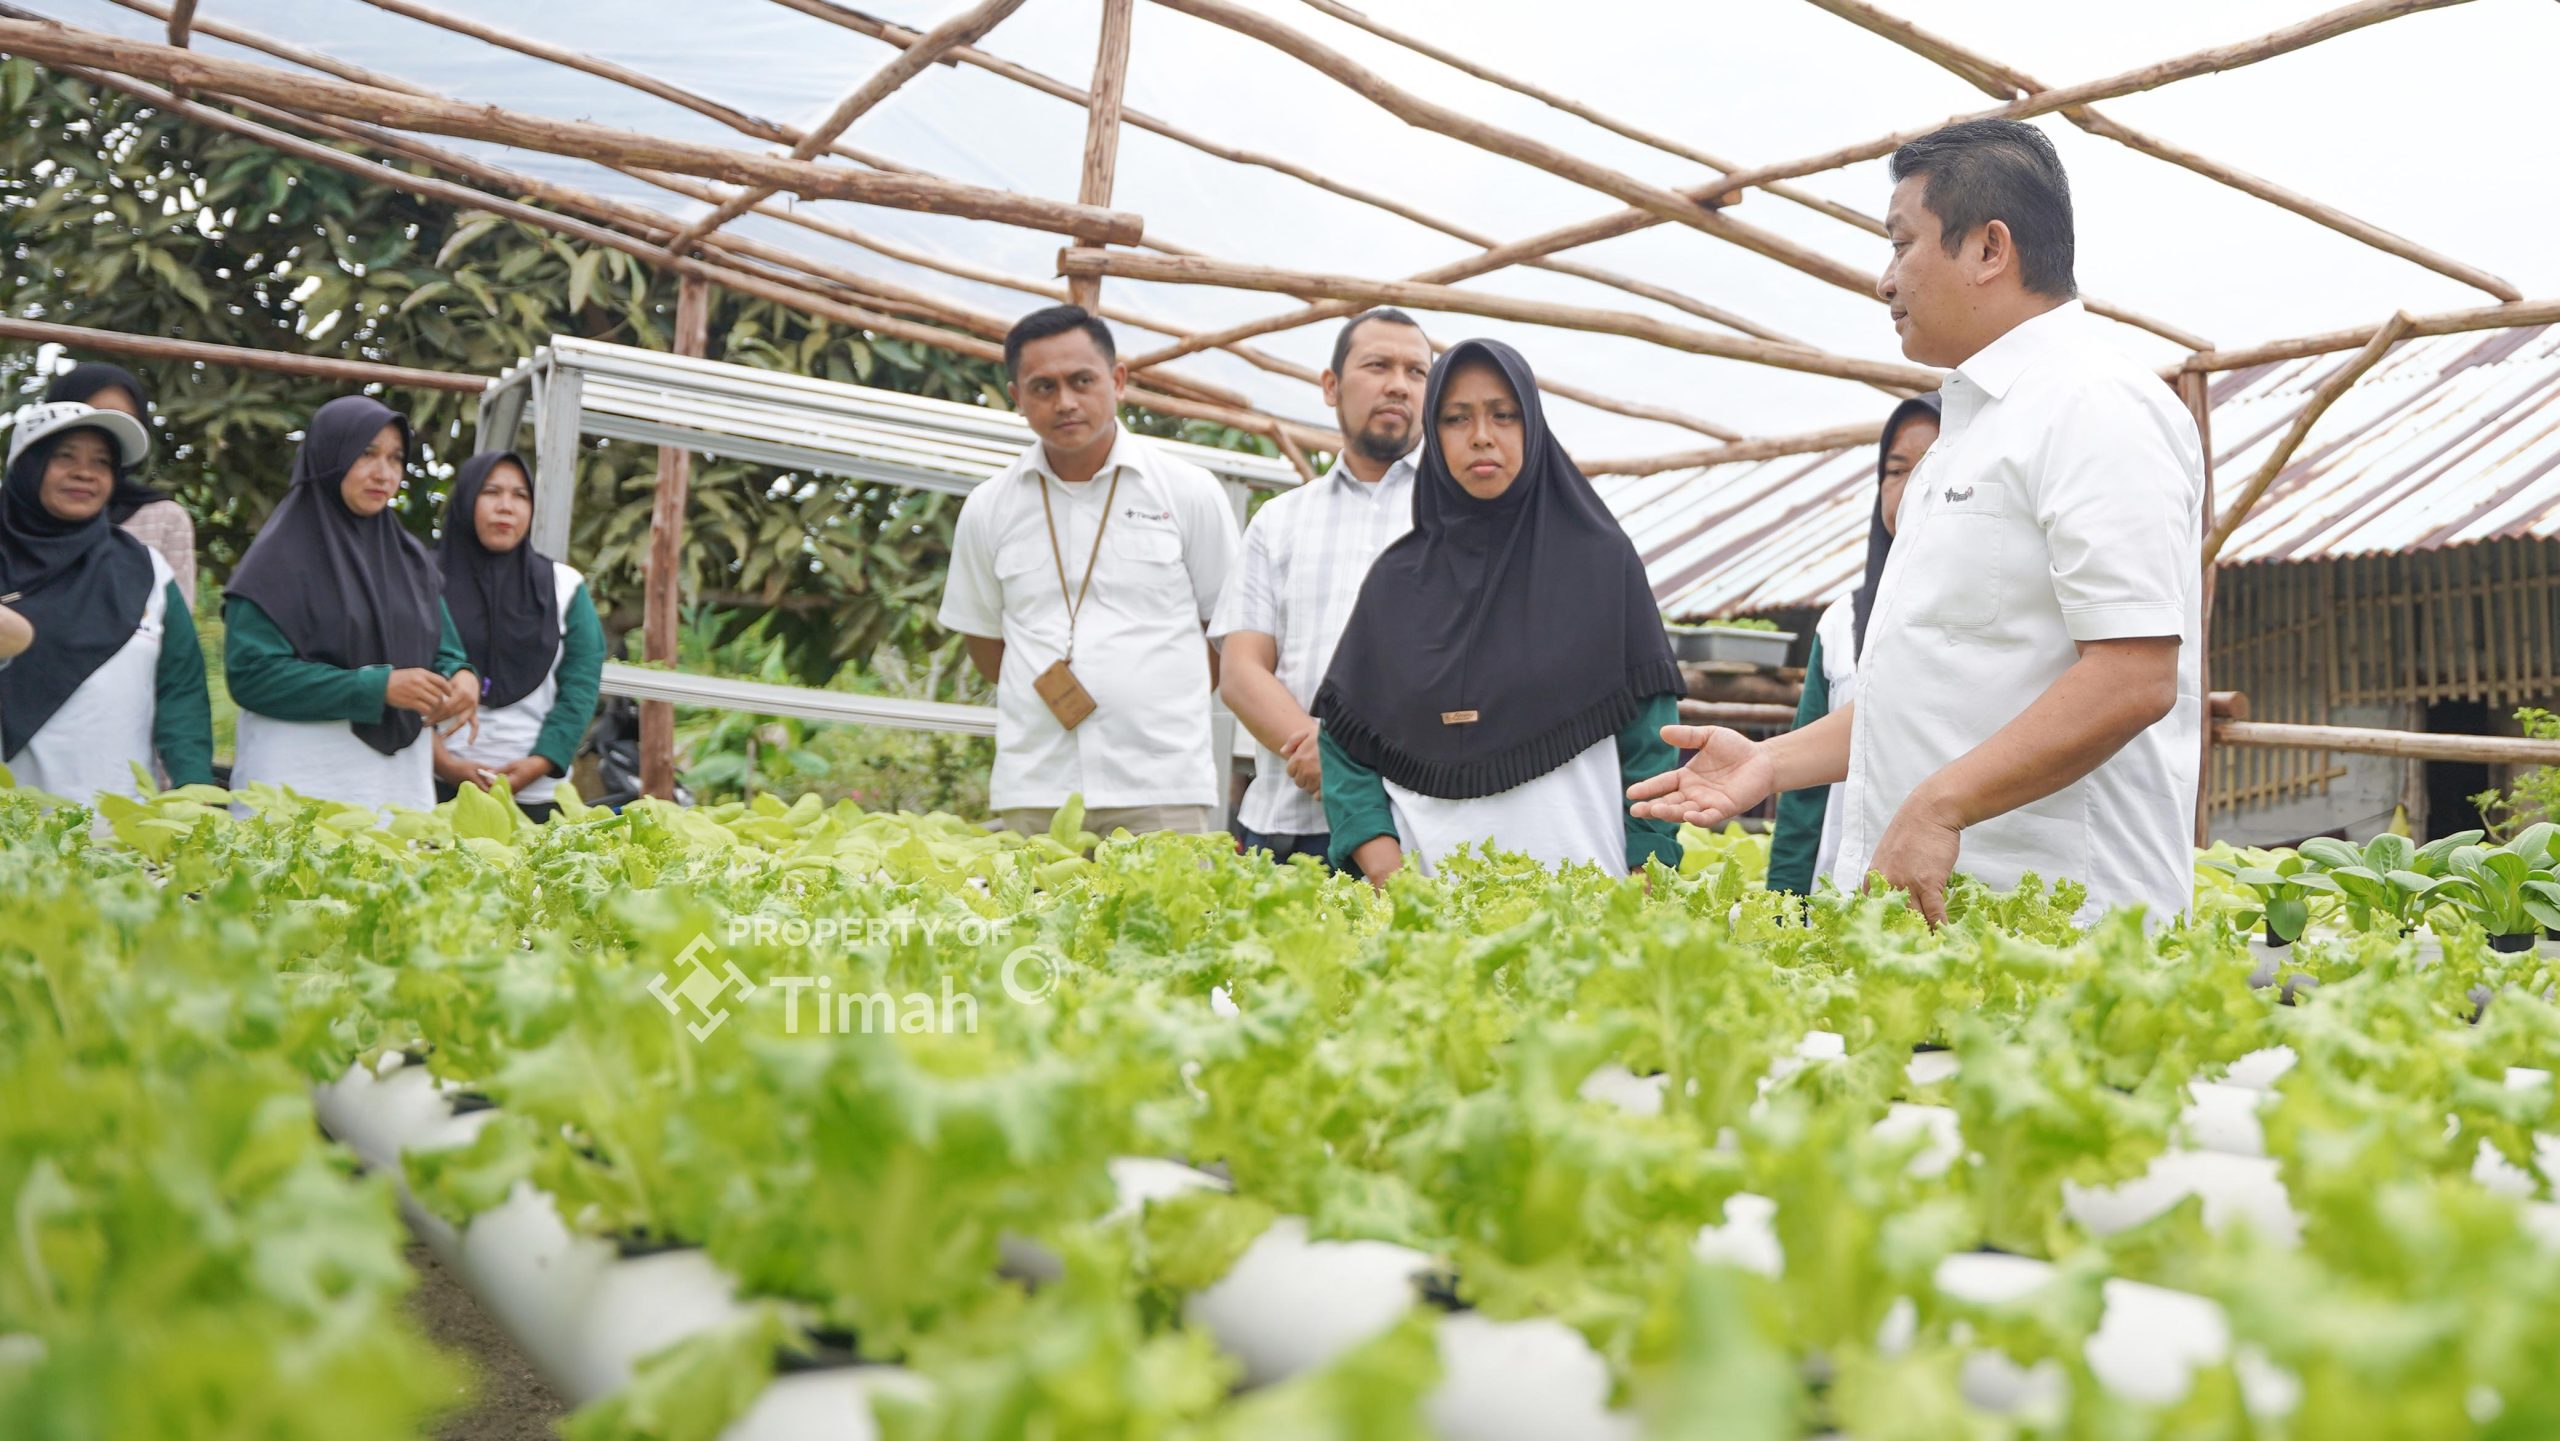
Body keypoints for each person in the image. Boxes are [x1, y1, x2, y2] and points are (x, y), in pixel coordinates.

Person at [1633, 118, 2202, 925]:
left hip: (2063, 929)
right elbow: (1933, 686)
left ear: (1988, 250)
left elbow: (2132, 675)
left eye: (1901, 243)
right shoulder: (1961, 438)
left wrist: (1941, 805)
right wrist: (1770, 761)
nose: (1884, 280)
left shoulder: (2092, 402)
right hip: (1943, 923)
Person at [1315, 338, 1685, 883]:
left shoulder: (1601, 565)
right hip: (1420, 923)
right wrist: (1389, 878)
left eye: (1504, 416)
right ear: (1434, 437)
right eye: (1456, 418)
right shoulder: (1395, 581)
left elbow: (1652, 742)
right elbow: (1345, 747)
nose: (1481, 436)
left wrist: (1646, 876)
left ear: (1533, 427)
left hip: (1582, 910)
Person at [938, 306, 1240, 838]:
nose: (1066, 402)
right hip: (1037, 787)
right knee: (1034, 922)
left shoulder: (1188, 492)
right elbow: (986, 646)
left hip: (1161, 786)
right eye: (1043, 387)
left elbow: (1227, 635)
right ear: (1017, 398)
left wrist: (1154, 695)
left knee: (1166, 920)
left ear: (1118, 381)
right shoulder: (990, 508)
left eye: (1082, 381)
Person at [1211, 308, 1433, 867]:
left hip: (1417, 829)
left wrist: (1340, 756)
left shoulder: (1465, 521)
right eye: (1378, 365)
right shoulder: (1278, 520)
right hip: (1288, 826)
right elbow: (1240, 672)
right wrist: (1329, 762)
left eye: (1417, 372)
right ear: (1331, 386)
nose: (1398, 385)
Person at [224, 395, 479, 813]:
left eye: (396, 459)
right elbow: (252, 675)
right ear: (329, 455)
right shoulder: (277, 559)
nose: (384, 473)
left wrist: (462, 677)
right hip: (299, 777)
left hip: (395, 781)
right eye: (366, 454)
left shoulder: (408, 558)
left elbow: (445, 646)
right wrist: (376, 687)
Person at [1765, 393, 1941, 895]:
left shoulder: (2007, 621)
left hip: (1955, 898)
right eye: (1895, 470)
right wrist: (1784, 903)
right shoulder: (1841, 622)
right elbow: (1804, 796)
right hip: (1839, 899)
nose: (1907, 489)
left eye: (1932, 466)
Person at [0, 402, 214, 803]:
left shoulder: (147, 570)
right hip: (13, 833)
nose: (85, 473)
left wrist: (195, 802)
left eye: (102, 462)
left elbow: (181, 694)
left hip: (118, 834)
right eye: (65, 457)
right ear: (28, 467)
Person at [431, 450, 604, 823]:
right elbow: (397, 669)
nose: (506, 507)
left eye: (520, 495)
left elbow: (581, 686)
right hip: (431, 786)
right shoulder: (422, 580)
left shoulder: (565, 587)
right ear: (465, 500)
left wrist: (540, 762)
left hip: (536, 793)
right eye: (491, 492)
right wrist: (441, 762)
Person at [44, 361, 197, 607]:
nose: (84, 473)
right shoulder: (12, 517)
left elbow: (175, 629)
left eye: (123, 422)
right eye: (92, 416)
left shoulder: (163, 518)